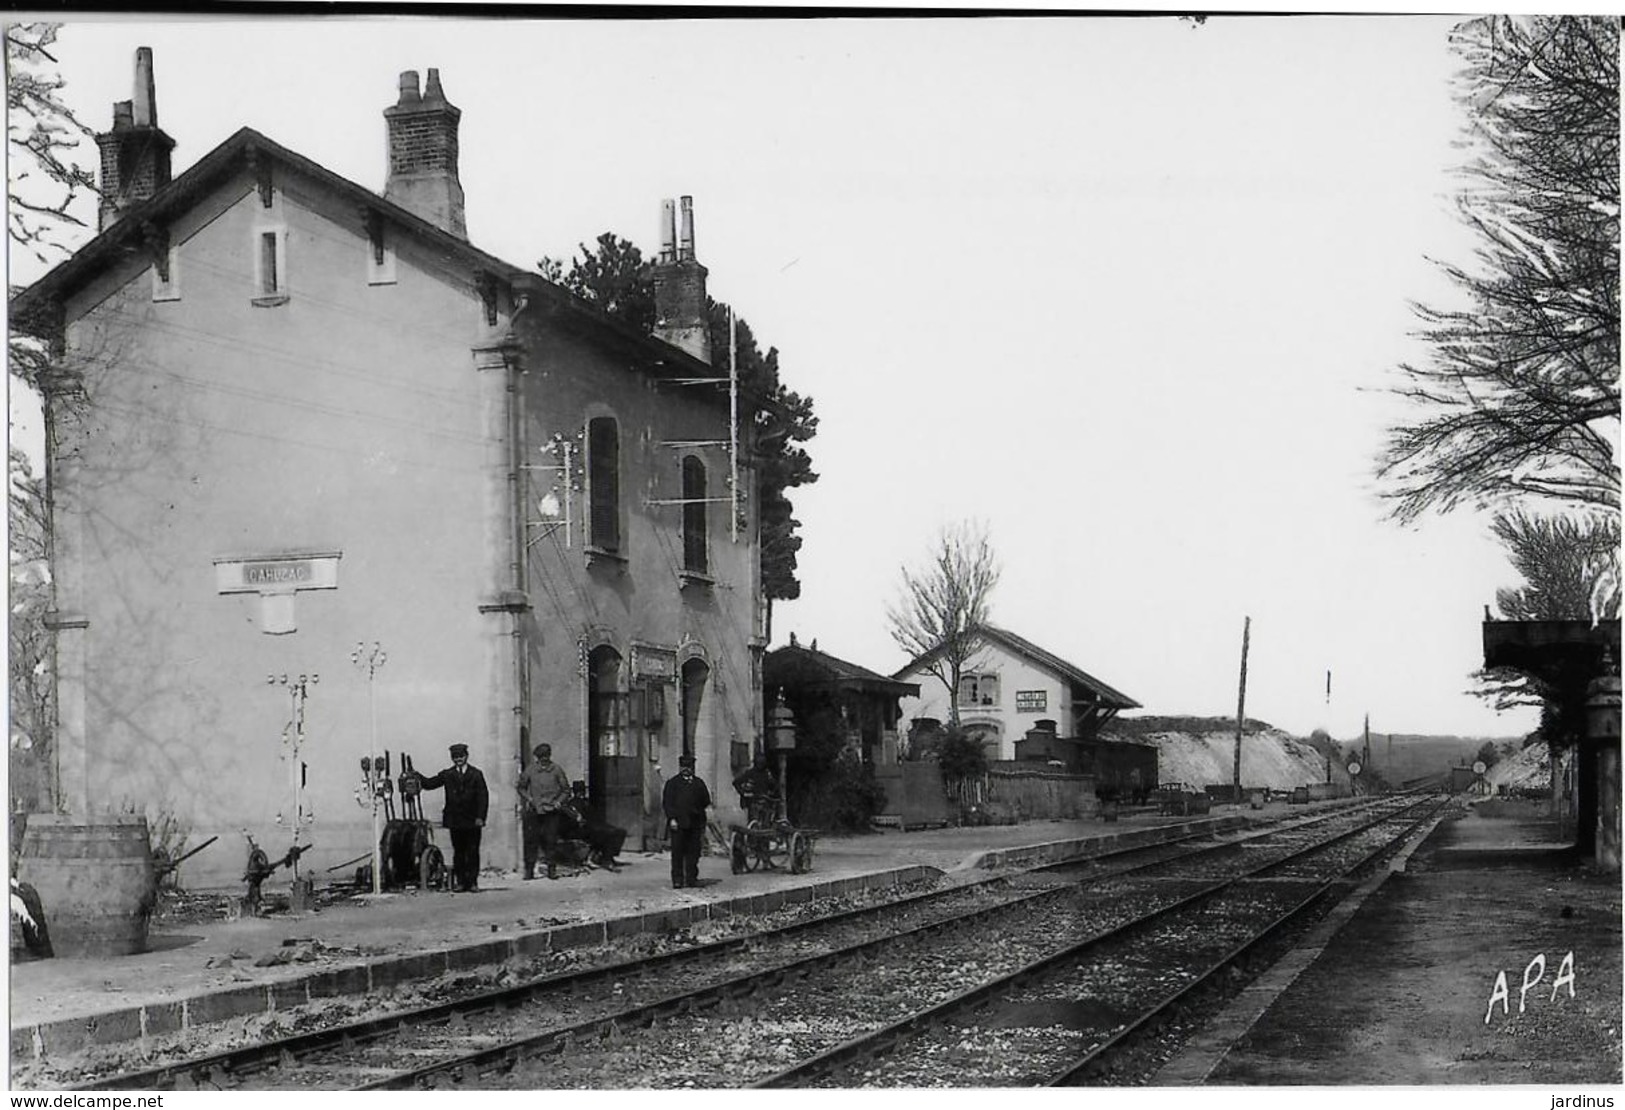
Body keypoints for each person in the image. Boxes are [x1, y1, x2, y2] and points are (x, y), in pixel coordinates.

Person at [417, 743, 489, 892]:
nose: (458, 760)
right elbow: (430, 783)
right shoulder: (448, 774)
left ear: (466, 757)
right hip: (455, 820)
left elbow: (483, 797)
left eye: (461, 757)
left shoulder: (476, 774)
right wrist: (417, 776)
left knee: (473, 851)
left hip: (472, 820)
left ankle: (473, 882)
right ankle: (461, 882)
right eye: (455, 757)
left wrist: (480, 817)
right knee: (459, 852)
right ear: (452, 759)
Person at [516, 742, 571, 880]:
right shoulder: (530, 770)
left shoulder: (556, 770)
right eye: (541, 757)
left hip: (551, 811)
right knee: (531, 841)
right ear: (537, 757)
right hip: (534, 811)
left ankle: (551, 869)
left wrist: (559, 802)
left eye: (546, 756)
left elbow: (566, 790)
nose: (544, 759)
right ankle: (529, 870)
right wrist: (528, 798)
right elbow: (521, 787)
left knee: (550, 840)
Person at [661, 754, 711, 889]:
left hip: (695, 824)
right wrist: (672, 819)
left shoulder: (699, 783)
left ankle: (691, 878)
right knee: (677, 853)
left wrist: (699, 813)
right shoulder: (672, 783)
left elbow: (706, 800)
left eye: (688, 767)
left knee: (694, 852)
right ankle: (677, 879)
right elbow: (667, 803)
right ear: (680, 767)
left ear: (692, 768)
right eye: (683, 766)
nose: (686, 769)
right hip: (678, 823)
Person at [565, 780, 628, 871]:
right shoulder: (572, 804)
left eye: (582, 790)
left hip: (593, 826)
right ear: (575, 792)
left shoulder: (586, 802)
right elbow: (574, 823)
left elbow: (594, 817)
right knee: (606, 833)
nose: (581, 793)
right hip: (581, 830)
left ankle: (609, 857)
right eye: (579, 791)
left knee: (619, 832)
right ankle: (606, 859)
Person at [732, 752, 780, 827]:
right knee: (754, 822)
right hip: (754, 802)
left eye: (762, 763)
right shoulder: (750, 773)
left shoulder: (766, 774)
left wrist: (772, 793)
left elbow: (774, 786)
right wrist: (743, 793)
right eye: (759, 763)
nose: (760, 765)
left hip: (763, 801)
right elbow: (736, 782)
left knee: (764, 822)